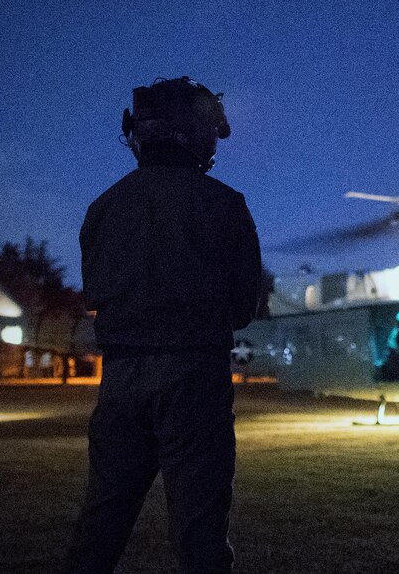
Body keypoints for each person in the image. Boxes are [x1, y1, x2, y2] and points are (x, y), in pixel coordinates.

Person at [67, 77, 262, 573]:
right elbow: (243, 307)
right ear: (197, 133)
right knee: (200, 537)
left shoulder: (102, 208)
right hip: (195, 378)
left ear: (138, 135)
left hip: (121, 381)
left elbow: (97, 296)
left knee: (100, 527)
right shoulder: (224, 204)